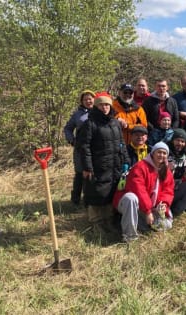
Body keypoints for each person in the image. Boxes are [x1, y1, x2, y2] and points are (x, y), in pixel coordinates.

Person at [78, 92, 129, 232]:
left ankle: (108, 220)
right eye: (101, 104)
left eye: (107, 104)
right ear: (96, 106)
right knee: (96, 191)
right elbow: (84, 147)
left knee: (111, 190)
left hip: (114, 164)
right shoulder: (90, 123)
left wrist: (126, 160)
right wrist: (87, 167)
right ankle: (96, 221)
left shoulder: (114, 122)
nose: (105, 107)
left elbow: (121, 143)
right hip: (97, 164)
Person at [113, 142, 174, 242]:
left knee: (168, 224)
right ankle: (130, 237)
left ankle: (141, 226)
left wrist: (163, 204)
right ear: (153, 153)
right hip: (129, 202)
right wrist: (148, 211)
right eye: (159, 152)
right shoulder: (140, 166)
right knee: (131, 198)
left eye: (164, 153)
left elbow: (168, 191)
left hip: (150, 207)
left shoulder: (166, 171)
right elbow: (138, 190)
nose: (161, 155)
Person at [63, 90, 95, 205]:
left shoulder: (99, 112)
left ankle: (89, 200)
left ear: (94, 99)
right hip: (80, 149)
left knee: (93, 173)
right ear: (82, 101)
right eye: (85, 99)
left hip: (95, 148)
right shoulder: (77, 114)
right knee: (80, 173)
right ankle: (75, 200)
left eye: (90, 98)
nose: (88, 101)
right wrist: (72, 140)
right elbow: (67, 128)